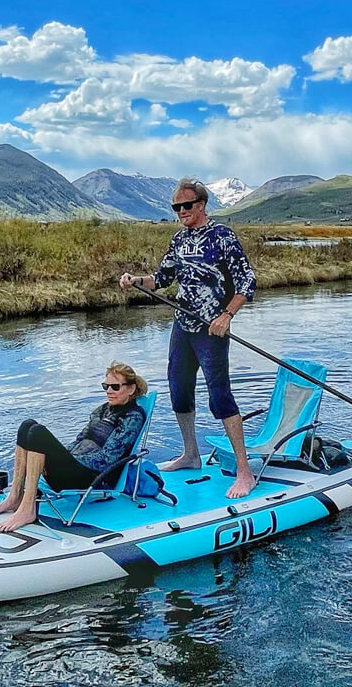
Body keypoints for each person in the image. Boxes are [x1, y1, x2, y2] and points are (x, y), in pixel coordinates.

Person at [119, 178, 257, 499]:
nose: (181, 211)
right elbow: (163, 278)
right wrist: (137, 279)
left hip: (211, 329)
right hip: (182, 326)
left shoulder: (222, 236)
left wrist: (227, 315)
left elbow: (246, 281)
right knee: (179, 393)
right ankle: (191, 455)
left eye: (187, 205)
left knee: (220, 397)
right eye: (176, 207)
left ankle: (244, 472)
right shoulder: (179, 240)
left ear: (202, 205)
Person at [0, 362, 149, 532]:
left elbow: (107, 459)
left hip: (94, 478)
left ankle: (27, 508)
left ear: (131, 389)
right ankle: (15, 496)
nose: (109, 391)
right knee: (27, 425)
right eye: (106, 386)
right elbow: (80, 439)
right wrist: (59, 458)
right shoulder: (103, 409)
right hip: (76, 468)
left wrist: (67, 460)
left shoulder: (132, 418)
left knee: (38, 432)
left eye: (115, 386)